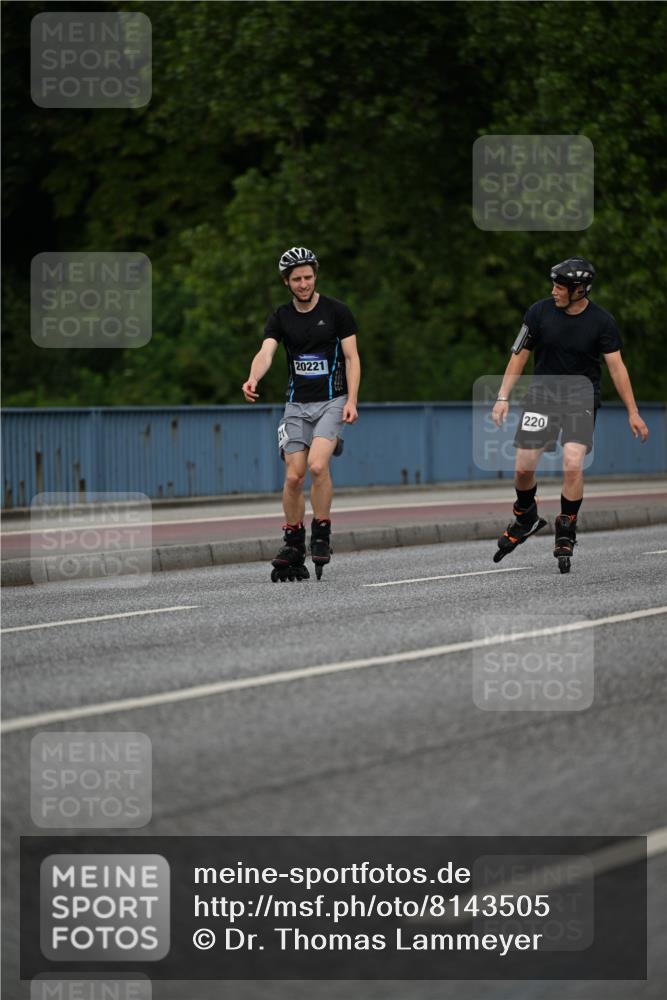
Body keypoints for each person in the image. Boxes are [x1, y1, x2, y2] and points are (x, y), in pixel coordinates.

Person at [491, 257, 649, 572]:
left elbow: (617, 369)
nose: (554, 291)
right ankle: (526, 516)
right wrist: (502, 396)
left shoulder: (602, 321)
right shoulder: (538, 313)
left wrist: (633, 412)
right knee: (523, 467)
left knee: (573, 463)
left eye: (560, 286)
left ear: (579, 290)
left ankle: (566, 530)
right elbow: (518, 356)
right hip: (541, 399)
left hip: (580, 397)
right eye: (554, 285)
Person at [242, 246, 361, 581]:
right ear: (287, 282)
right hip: (295, 405)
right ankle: (293, 541)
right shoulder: (281, 317)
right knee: (294, 476)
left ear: (315, 276)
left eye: (309, 277)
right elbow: (266, 352)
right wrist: (253, 377)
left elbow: (352, 358)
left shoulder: (337, 311)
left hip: (332, 401)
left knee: (318, 465)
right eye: (297, 279)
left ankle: (321, 532)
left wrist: (352, 400)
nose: (304, 283)